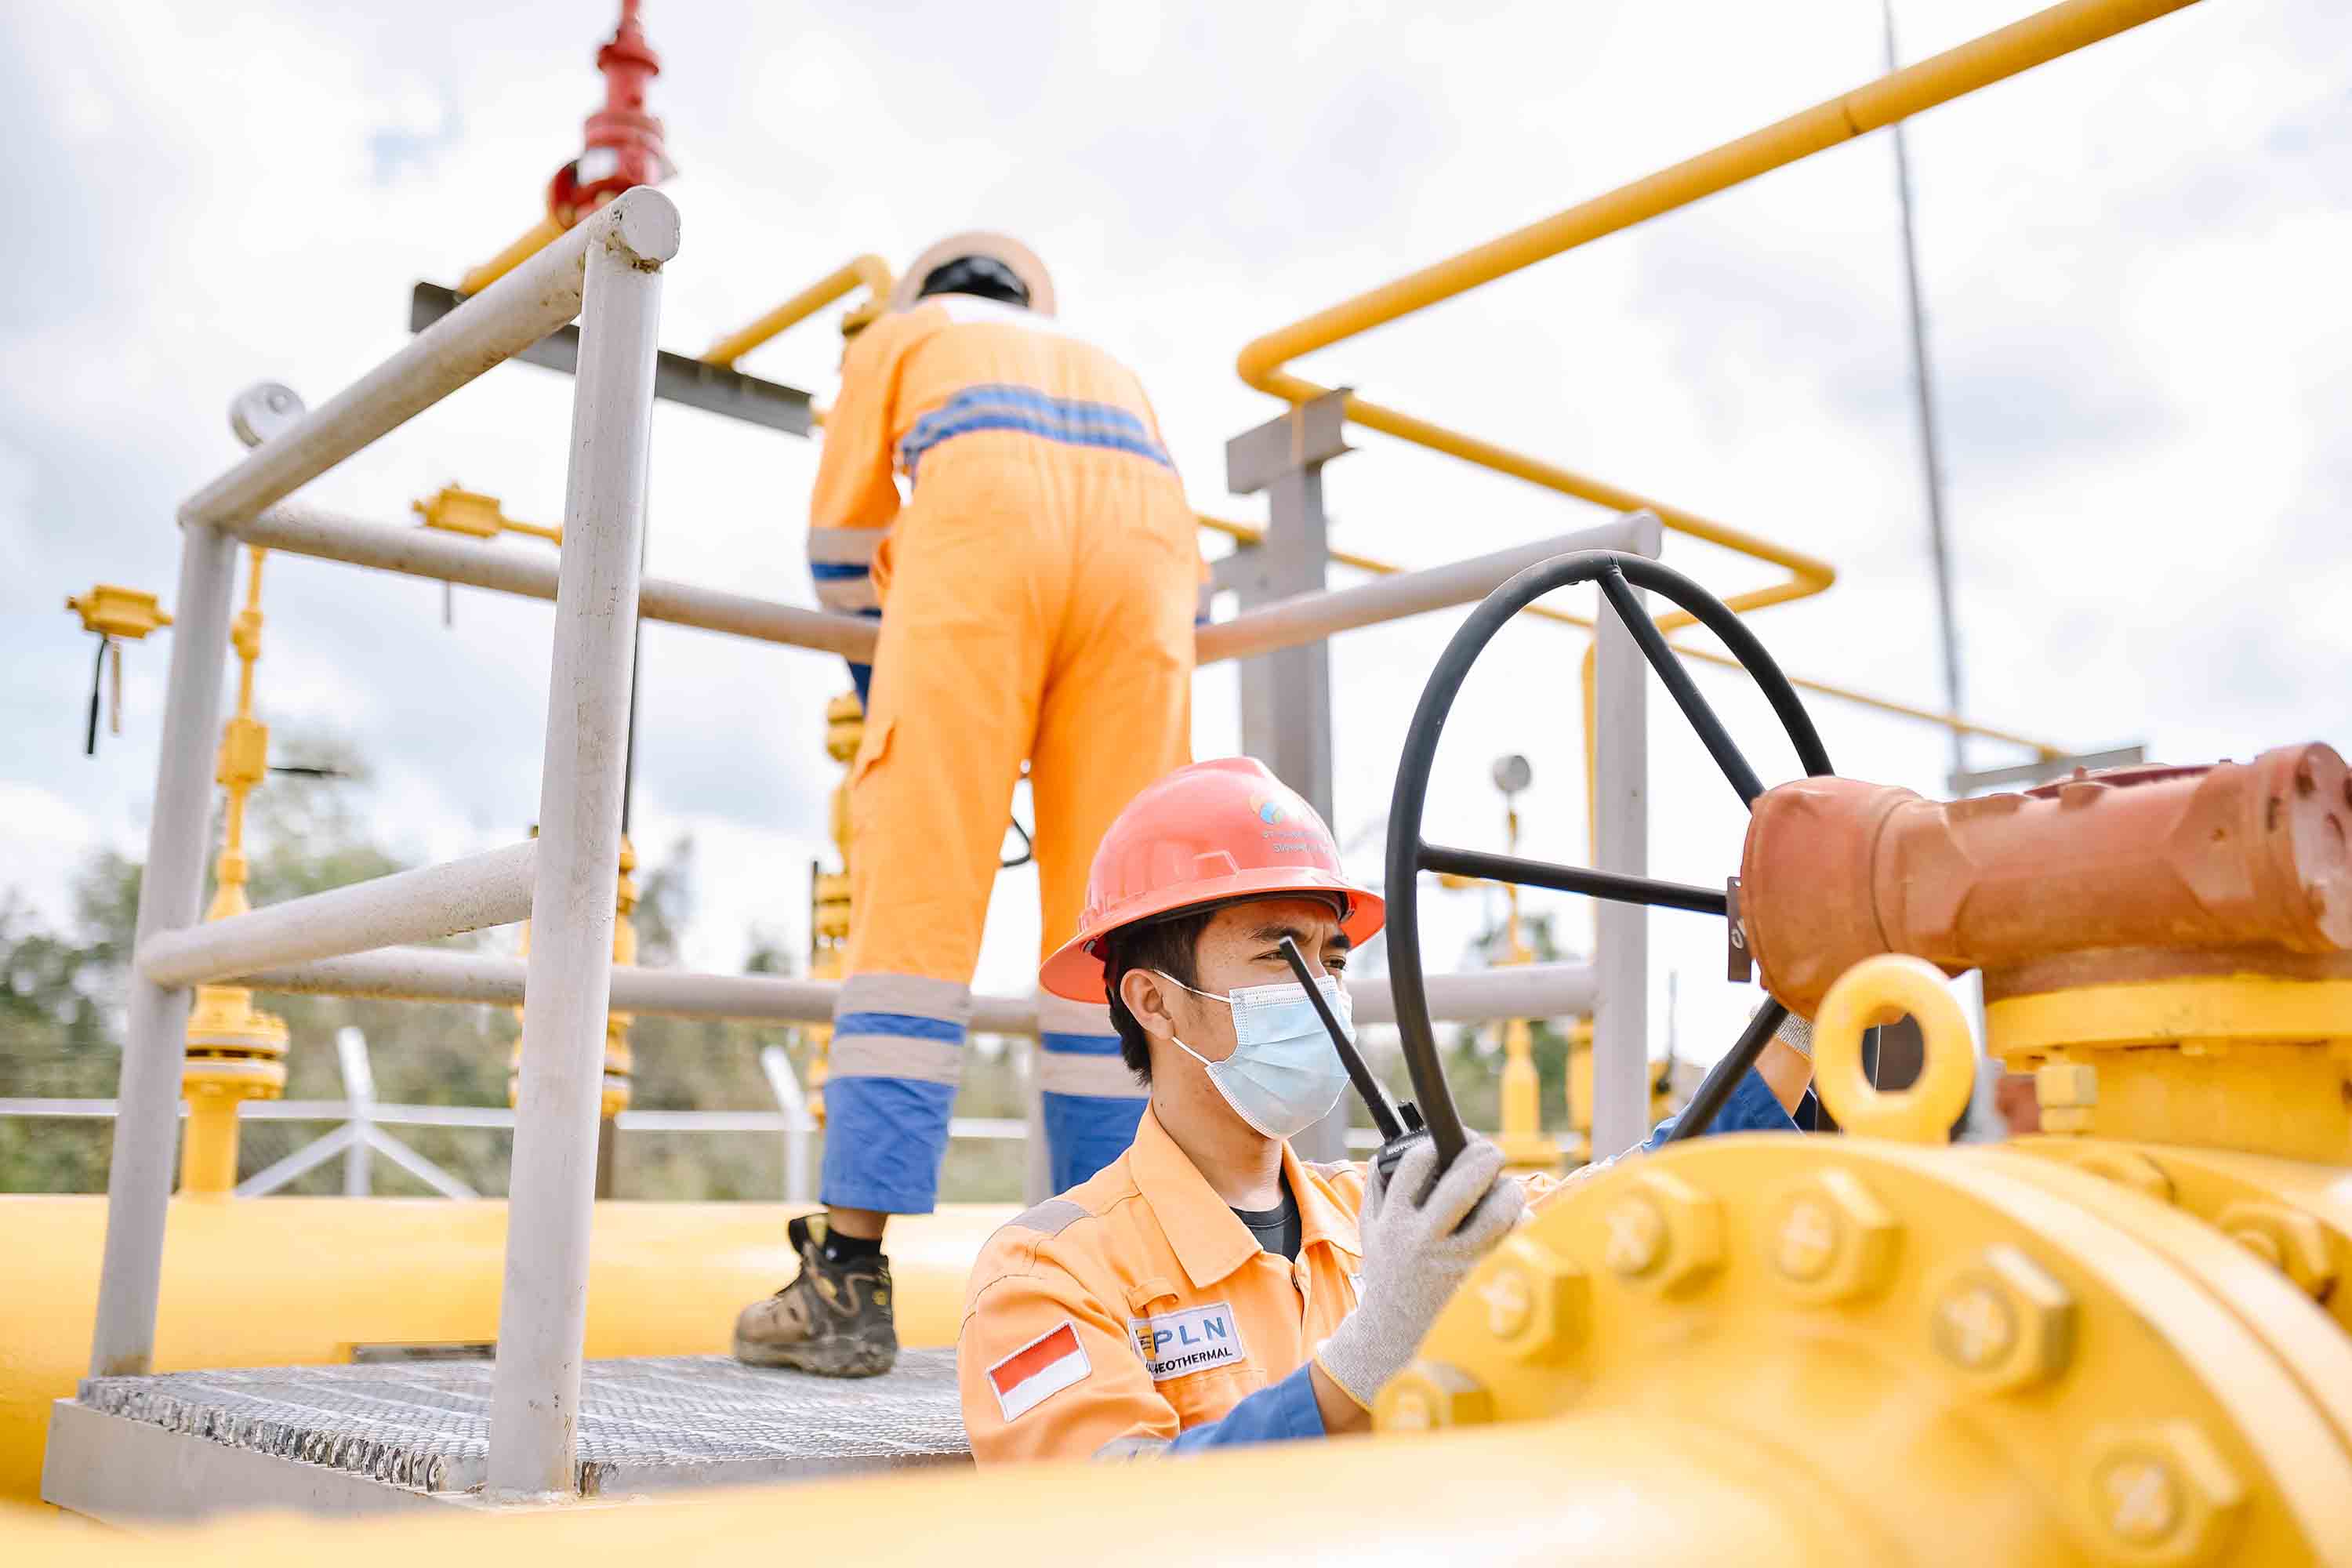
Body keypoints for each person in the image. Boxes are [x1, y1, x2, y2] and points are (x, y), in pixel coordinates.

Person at [956, 757, 1815, 1461]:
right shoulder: (1049, 1275)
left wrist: (1800, 1017)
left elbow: (1623, 1212)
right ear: (1153, 1000)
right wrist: (1370, 1357)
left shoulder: (1377, 1220)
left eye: (1333, 959)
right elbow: (1110, 1524)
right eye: (1281, 954)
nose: (1324, 991)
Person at [735, 234, 1207, 1377]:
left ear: (924, 294)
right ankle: (1121, 1274)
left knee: (914, 923)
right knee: (1117, 934)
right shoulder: (1106, 362)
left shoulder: (900, 337)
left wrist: (890, 694)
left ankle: (847, 1279)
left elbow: (841, 545)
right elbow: (1168, 558)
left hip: (979, 566)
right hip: (1146, 583)